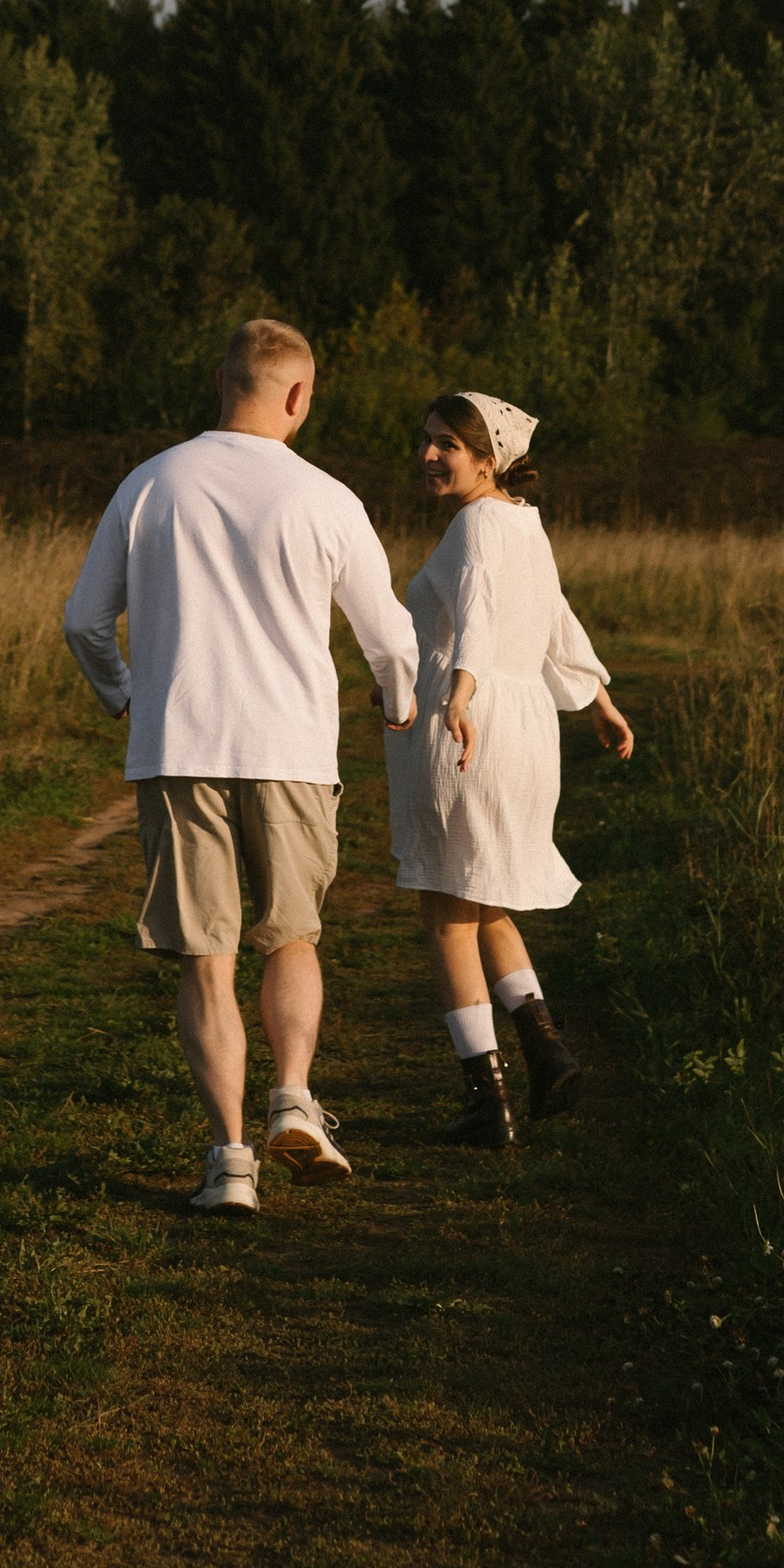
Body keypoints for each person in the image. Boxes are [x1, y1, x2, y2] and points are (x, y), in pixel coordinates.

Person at [63, 316, 420, 1215]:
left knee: (206, 960)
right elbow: (387, 632)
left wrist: (124, 693)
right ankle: (293, 1095)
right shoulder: (326, 498)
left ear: (221, 382)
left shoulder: (150, 484)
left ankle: (228, 1160)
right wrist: (399, 697)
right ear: (297, 396)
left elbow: (82, 622)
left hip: (178, 746)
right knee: (291, 936)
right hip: (290, 749)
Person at [384, 389, 635, 1149]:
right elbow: (555, 614)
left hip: (471, 723)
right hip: (523, 729)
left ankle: (484, 1101)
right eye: (426, 440)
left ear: (489, 461)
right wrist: (597, 695)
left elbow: (483, 609)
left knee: (446, 911)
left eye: (447, 446)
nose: (429, 455)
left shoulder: (478, 524)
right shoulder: (525, 526)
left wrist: (457, 692)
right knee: (485, 894)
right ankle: (546, 1049)